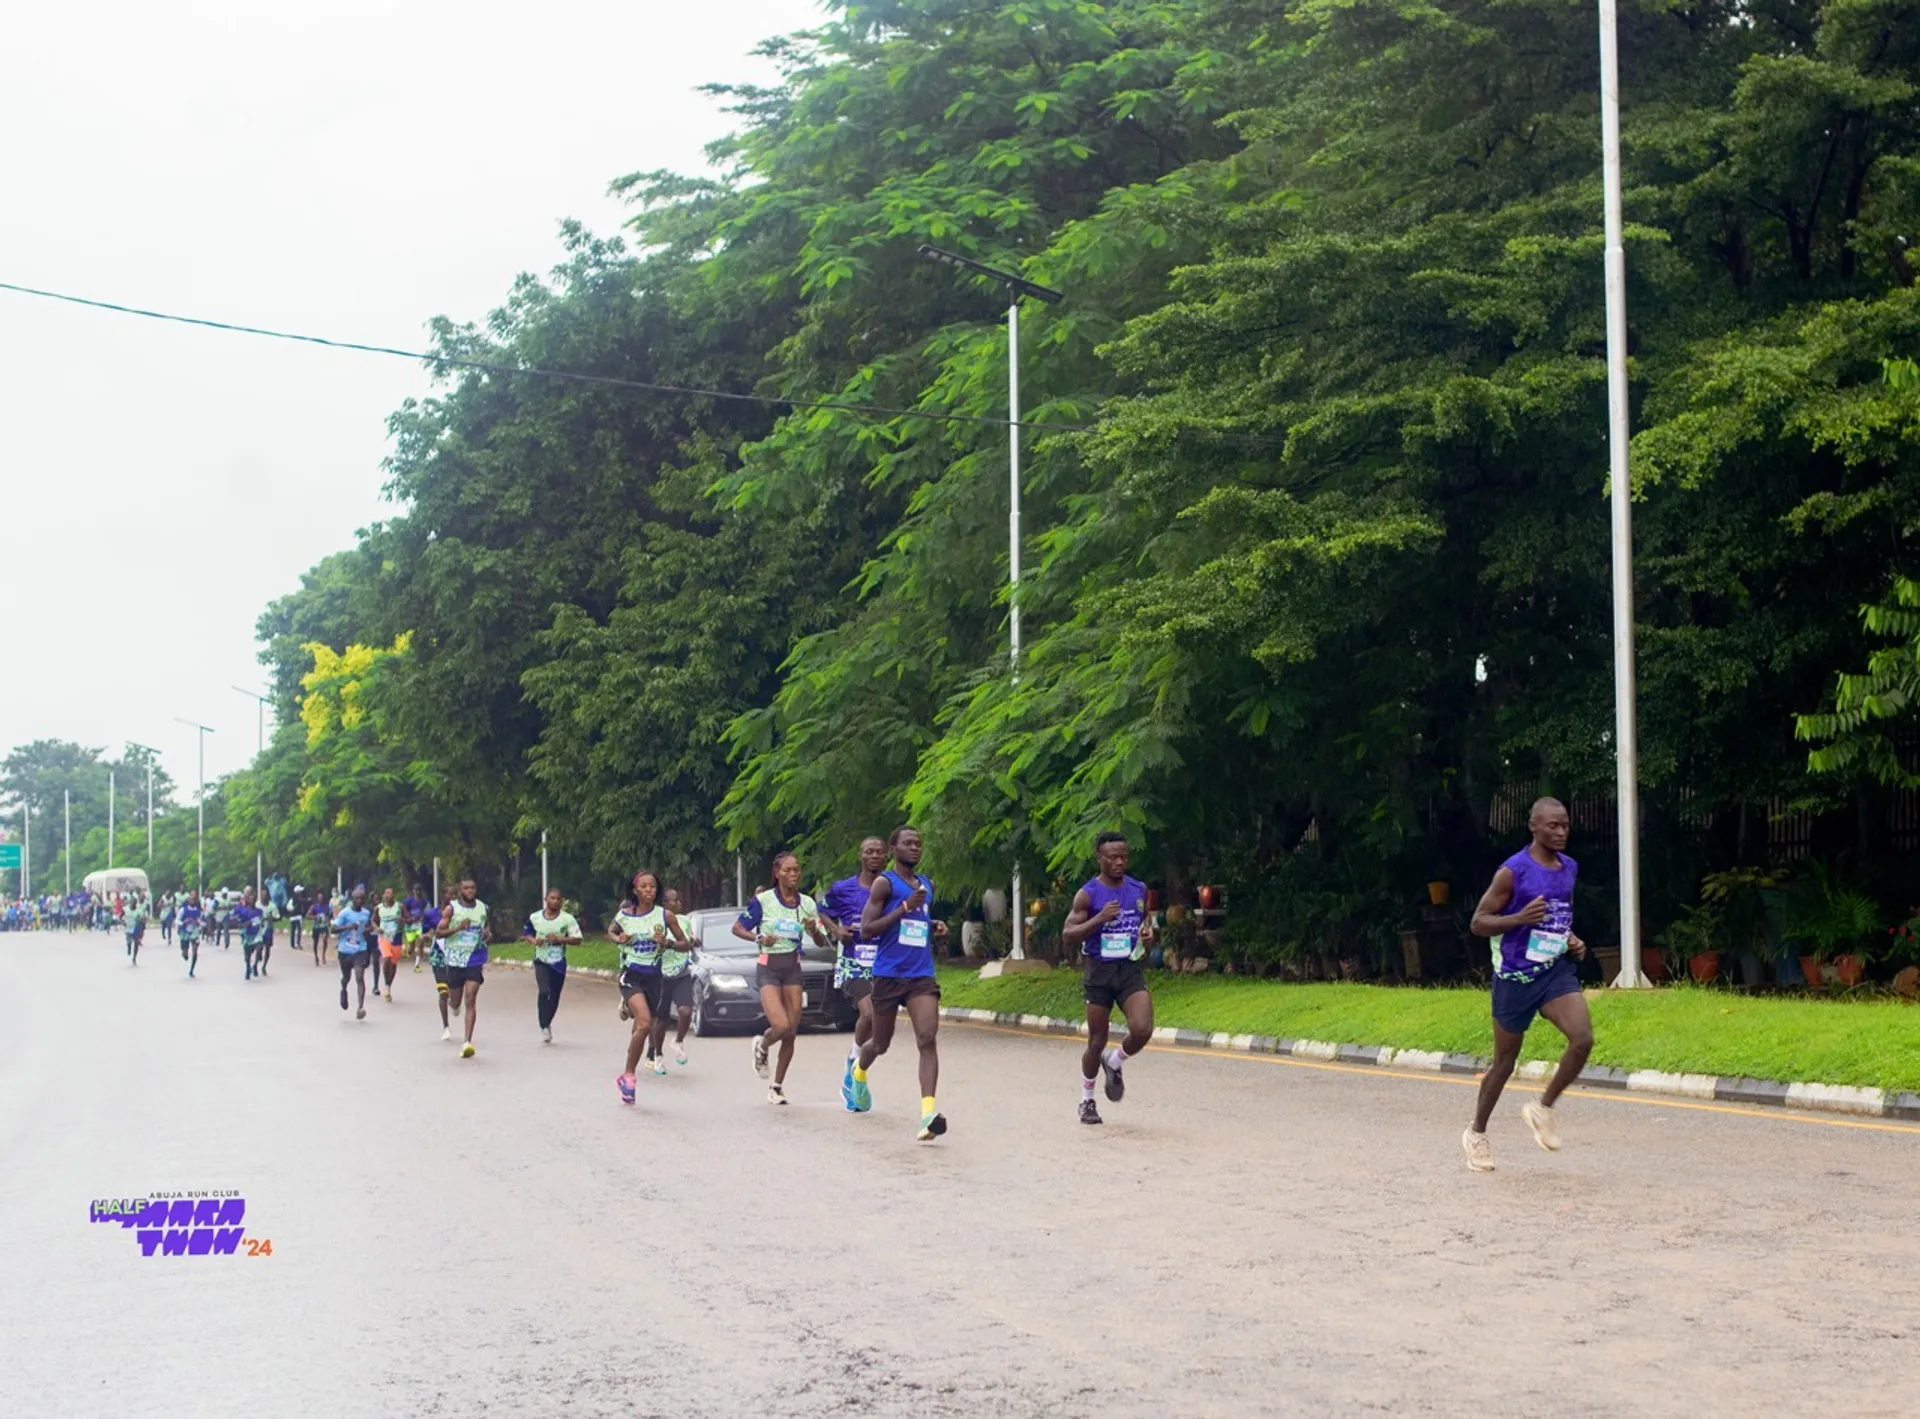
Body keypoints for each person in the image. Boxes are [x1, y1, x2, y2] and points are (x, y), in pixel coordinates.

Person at [1463, 797, 1592, 1172]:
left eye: (1565, 825)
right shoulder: (1512, 872)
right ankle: (1477, 1132)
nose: (1561, 831)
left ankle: (1542, 1108)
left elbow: (1556, 918)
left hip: (1554, 971)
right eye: (1553, 826)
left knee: (1582, 1038)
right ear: (1533, 827)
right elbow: (1479, 922)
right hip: (1515, 977)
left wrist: (1571, 939)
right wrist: (1518, 918)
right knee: (1505, 1062)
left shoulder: (1569, 867)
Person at [853, 827, 949, 1140]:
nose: (915, 848)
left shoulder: (926, 885)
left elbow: (916, 922)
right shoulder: (884, 884)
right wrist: (904, 907)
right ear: (894, 849)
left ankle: (927, 1115)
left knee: (927, 1038)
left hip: (921, 975)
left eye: (919, 844)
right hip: (888, 975)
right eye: (908, 843)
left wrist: (933, 924)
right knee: (881, 1044)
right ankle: (858, 1072)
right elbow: (867, 929)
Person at [1061, 832, 1157, 1125]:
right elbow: (1068, 934)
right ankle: (1086, 1100)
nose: (1119, 862)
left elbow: (1146, 924)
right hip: (1099, 972)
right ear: (1099, 858)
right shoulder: (1088, 894)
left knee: (1142, 1029)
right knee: (1096, 1040)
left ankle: (1115, 1061)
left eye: (1123, 857)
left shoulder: (1138, 889)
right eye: (1112, 857)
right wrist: (1099, 919)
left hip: (1128, 969)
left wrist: (1149, 936)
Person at [734, 853, 832, 1106]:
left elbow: (821, 940)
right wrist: (758, 938)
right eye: (787, 870)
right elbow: (738, 927)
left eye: (797, 870)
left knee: (792, 1031)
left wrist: (812, 929)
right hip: (768, 967)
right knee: (781, 1025)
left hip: (793, 968)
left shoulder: (807, 903)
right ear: (776, 873)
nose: (793, 874)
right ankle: (763, 1044)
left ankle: (776, 1087)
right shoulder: (763, 901)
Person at [612, 870, 688, 1103]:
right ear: (635, 890)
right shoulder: (625, 915)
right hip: (631, 974)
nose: (648, 890)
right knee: (644, 1023)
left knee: (644, 1026)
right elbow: (612, 931)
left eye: (653, 887)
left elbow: (685, 944)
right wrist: (620, 939)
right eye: (643, 886)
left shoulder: (665, 916)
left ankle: (630, 1010)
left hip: (654, 977)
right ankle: (628, 1076)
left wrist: (668, 943)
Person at [825, 837, 886, 1111]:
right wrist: (836, 930)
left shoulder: (891, 887)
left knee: (878, 1027)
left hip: (885, 963)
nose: (874, 856)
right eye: (869, 852)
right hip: (853, 962)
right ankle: (854, 1063)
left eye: (879, 852)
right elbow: (822, 911)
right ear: (860, 856)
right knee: (869, 1014)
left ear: (886, 857)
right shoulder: (842, 889)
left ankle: (855, 1060)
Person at [435, 878, 490, 1058]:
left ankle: (467, 1042)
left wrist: (488, 934)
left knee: (471, 998)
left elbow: (488, 929)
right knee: (456, 1000)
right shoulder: (451, 909)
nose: (470, 891)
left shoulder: (483, 908)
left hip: (474, 958)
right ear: (460, 890)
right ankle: (453, 1006)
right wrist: (458, 927)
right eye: (466, 888)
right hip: (455, 959)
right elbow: (439, 933)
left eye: (472, 888)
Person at [647, 887, 700, 1071]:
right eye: (674, 900)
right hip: (660, 976)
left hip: (681, 973)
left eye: (679, 900)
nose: (679, 903)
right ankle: (658, 1055)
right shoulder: (654, 922)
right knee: (661, 1020)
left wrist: (694, 940)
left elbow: (688, 940)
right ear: (664, 904)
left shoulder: (684, 920)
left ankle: (678, 1042)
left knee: (685, 1012)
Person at [524, 887, 582, 1043]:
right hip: (541, 961)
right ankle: (543, 1025)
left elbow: (577, 939)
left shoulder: (567, 919)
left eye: (558, 899)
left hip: (558, 963)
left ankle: (547, 1023)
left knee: (554, 996)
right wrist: (534, 941)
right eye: (552, 898)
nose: (555, 901)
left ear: (562, 901)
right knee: (544, 992)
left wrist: (559, 939)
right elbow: (527, 933)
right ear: (546, 899)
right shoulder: (535, 917)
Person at [334, 887, 374, 1019]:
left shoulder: (366, 913)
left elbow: (370, 926)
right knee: (346, 978)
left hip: (360, 949)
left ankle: (360, 1007)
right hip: (345, 950)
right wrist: (349, 927)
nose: (360, 900)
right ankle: (344, 989)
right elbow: (333, 929)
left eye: (362, 898)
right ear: (352, 900)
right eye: (357, 898)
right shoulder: (345, 913)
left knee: (359, 976)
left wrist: (367, 930)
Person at [422, 887, 452, 1040]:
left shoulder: (460, 913)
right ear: (442, 896)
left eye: (454, 895)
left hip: (456, 954)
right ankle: (446, 1026)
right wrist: (427, 935)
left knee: (454, 991)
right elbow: (425, 932)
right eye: (448, 894)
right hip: (438, 954)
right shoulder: (431, 914)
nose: (451, 897)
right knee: (443, 992)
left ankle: (455, 1002)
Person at [232, 887, 268, 981]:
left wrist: (262, 925)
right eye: (250, 899)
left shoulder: (259, 911)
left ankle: (255, 965)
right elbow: (239, 923)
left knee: (260, 948)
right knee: (247, 956)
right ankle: (248, 968)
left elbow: (263, 922)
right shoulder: (245, 911)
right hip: (248, 935)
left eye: (254, 899)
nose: (252, 901)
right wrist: (245, 924)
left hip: (257, 935)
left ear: (255, 901)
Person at [374, 887, 403, 1003]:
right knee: (387, 959)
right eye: (386, 893)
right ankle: (386, 986)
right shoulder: (378, 908)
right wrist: (377, 928)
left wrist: (402, 920)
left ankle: (388, 985)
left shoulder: (400, 907)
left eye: (390, 893)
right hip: (384, 937)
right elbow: (373, 920)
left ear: (394, 896)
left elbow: (408, 918)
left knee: (394, 964)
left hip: (396, 937)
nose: (388, 895)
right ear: (384, 895)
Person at [177, 891, 205, 978]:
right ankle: (184, 953)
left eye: (194, 900)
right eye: (190, 900)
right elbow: (177, 921)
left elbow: (203, 923)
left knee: (195, 952)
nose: (192, 901)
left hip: (195, 932)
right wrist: (183, 922)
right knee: (185, 954)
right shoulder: (183, 910)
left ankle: (191, 970)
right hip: (185, 932)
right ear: (188, 901)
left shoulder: (198, 911)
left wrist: (199, 923)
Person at [401, 883, 426, 972]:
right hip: (410, 926)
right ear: (413, 891)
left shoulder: (423, 901)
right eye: (416, 890)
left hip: (419, 925)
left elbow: (423, 911)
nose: (417, 892)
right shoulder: (408, 901)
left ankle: (417, 965)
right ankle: (409, 951)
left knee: (420, 943)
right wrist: (408, 918)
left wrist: (422, 918)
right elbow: (403, 910)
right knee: (411, 947)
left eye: (419, 890)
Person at [307, 892, 331, 965]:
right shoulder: (314, 906)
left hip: (324, 925)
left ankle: (323, 955)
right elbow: (307, 915)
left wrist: (328, 921)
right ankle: (316, 956)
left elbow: (329, 915)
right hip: (316, 926)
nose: (321, 899)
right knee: (315, 943)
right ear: (317, 899)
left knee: (324, 938)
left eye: (322, 898)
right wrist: (315, 917)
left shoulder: (327, 907)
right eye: (319, 898)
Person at [124, 893, 147, 966]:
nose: (133, 904)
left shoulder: (139, 910)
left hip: (136, 928)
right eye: (131, 903)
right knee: (129, 941)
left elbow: (143, 918)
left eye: (134, 903)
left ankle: (134, 958)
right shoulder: (125, 909)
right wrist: (122, 921)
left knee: (136, 943)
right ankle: (129, 947)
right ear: (130, 903)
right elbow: (120, 916)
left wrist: (142, 920)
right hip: (128, 928)